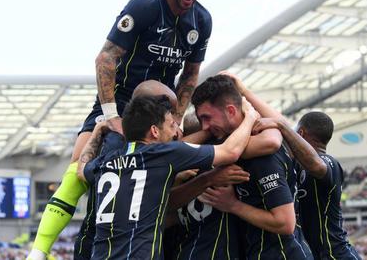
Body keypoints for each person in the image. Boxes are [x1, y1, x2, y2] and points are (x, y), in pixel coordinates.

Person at [28, 0, 212, 259]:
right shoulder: (143, 7)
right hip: (122, 102)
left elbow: (191, 76)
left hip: (160, 112)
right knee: (80, 168)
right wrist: (111, 115)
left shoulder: (201, 21)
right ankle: (38, 251)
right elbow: (106, 58)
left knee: (163, 172)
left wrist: (176, 119)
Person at [76, 93, 258, 259]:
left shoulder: (106, 161)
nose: (176, 132)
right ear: (154, 131)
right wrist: (249, 116)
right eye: (172, 125)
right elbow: (230, 151)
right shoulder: (163, 153)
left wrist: (97, 131)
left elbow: (81, 169)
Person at [219, 72, 361, 260]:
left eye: (293, 132)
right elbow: (279, 122)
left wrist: (282, 126)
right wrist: (244, 90)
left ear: (300, 132)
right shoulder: (293, 162)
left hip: (337, 255)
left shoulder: (330, 164)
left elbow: (316, 165)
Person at [193, 75, 313, 260]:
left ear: (231, 110)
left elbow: (285, 223)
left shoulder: (261, 155)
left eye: (207, 118)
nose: (205, 126)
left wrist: (233, 205)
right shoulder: (229, 141)